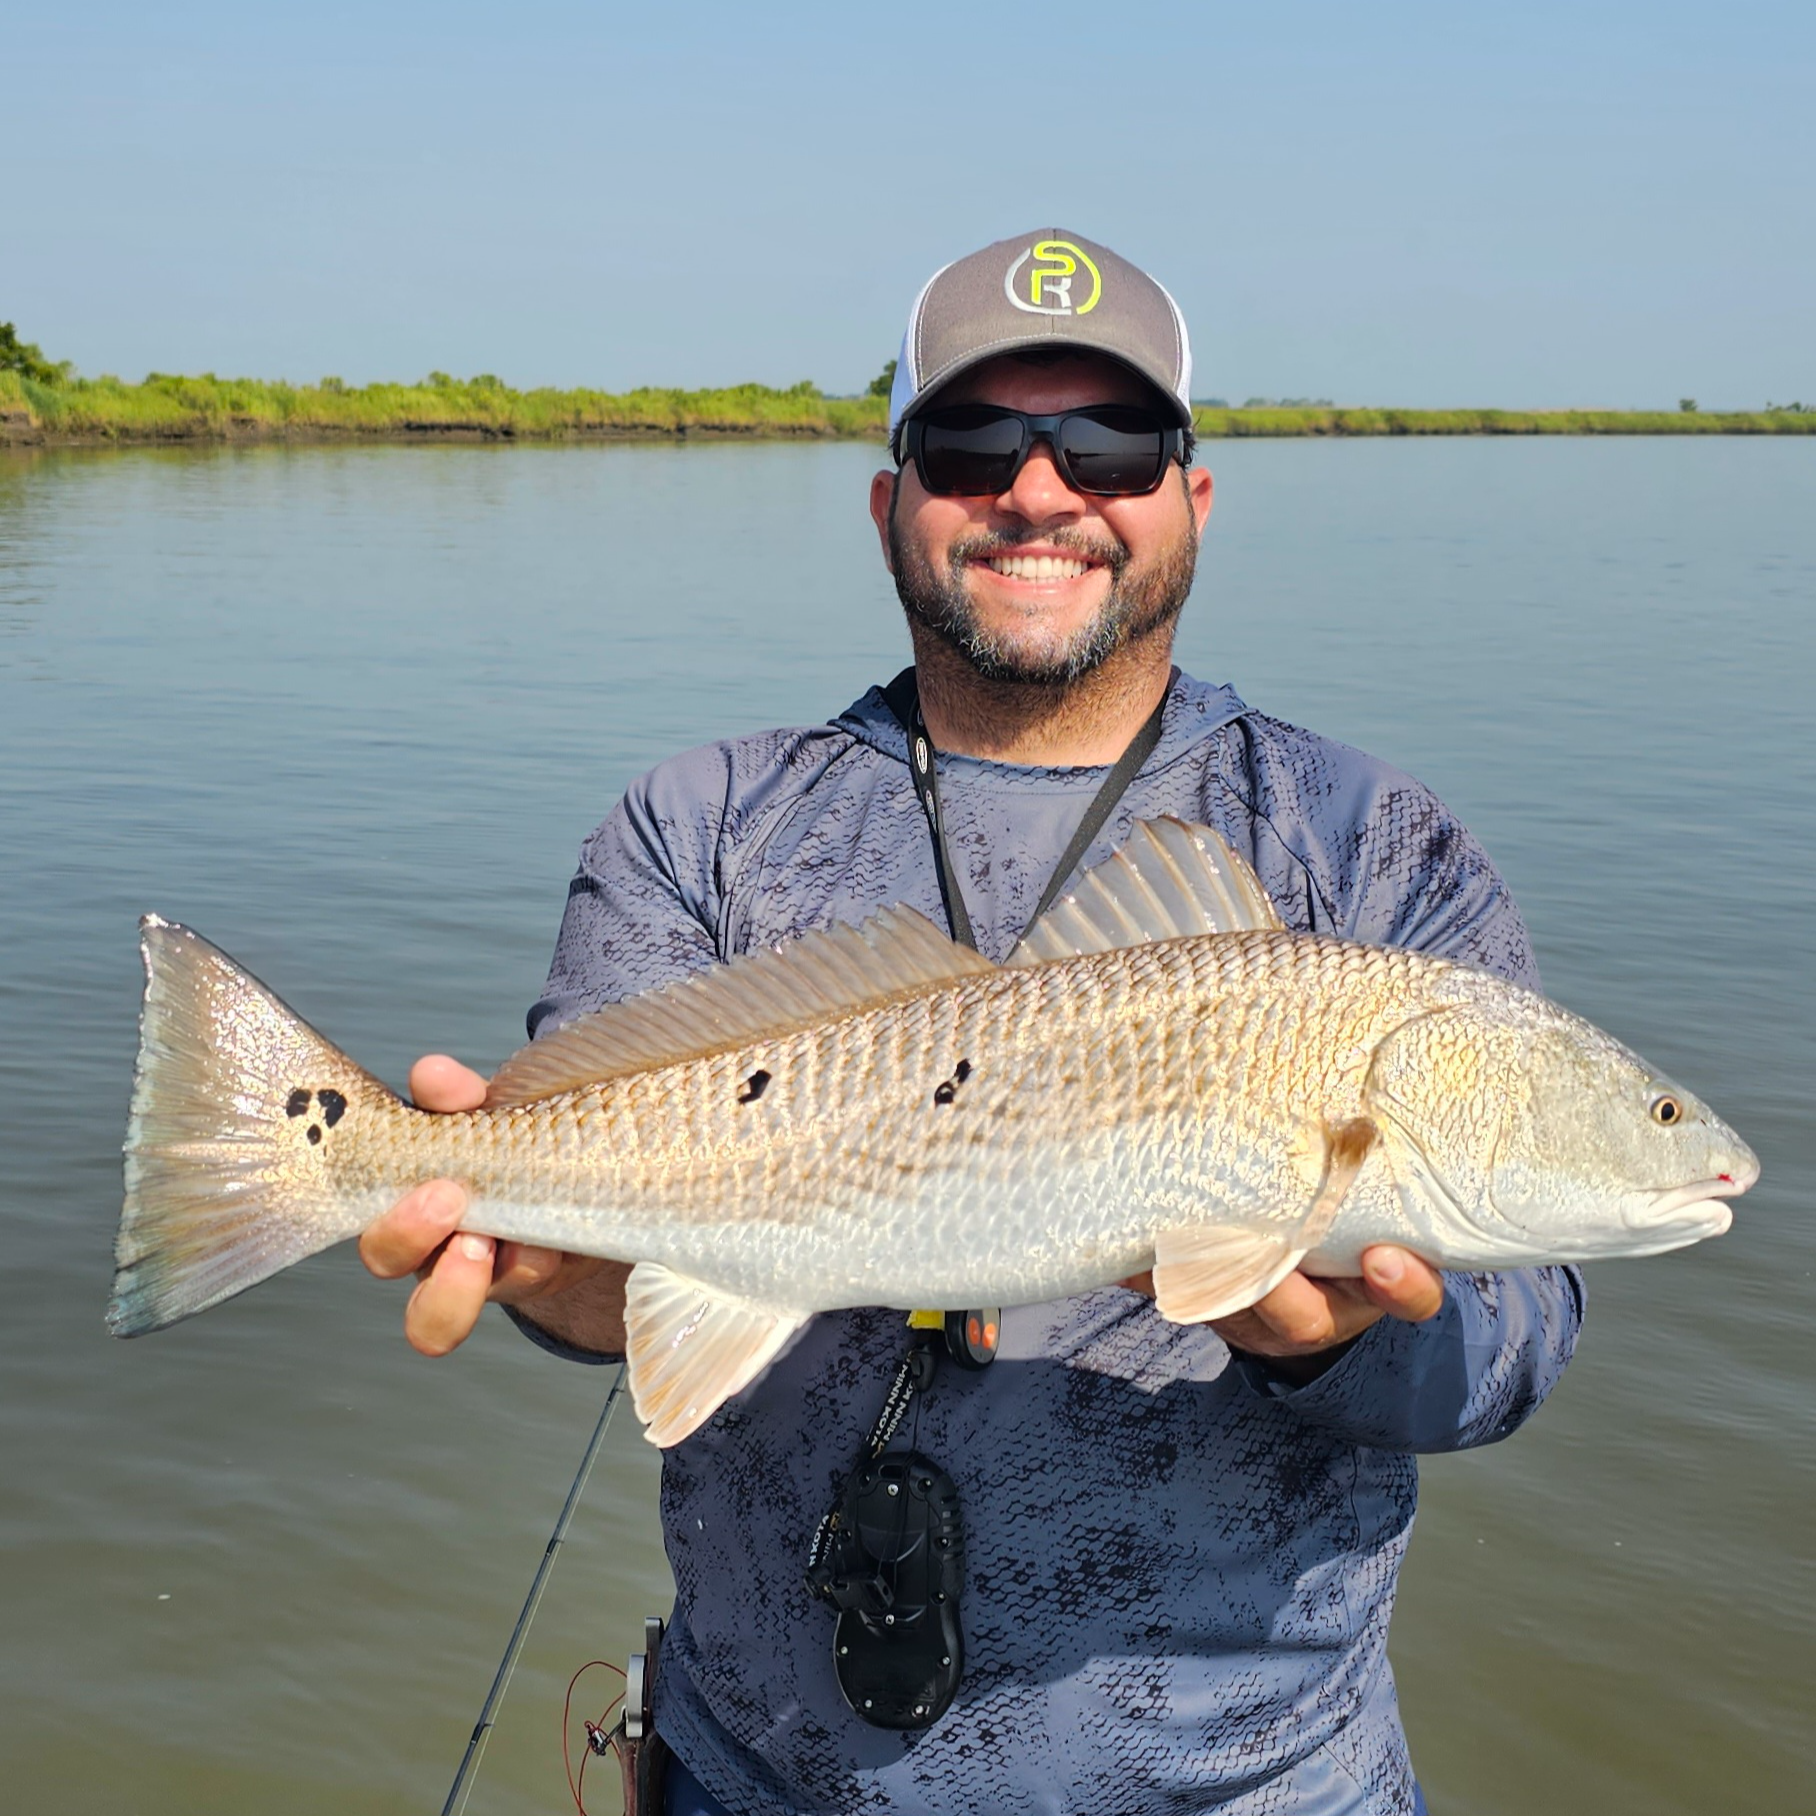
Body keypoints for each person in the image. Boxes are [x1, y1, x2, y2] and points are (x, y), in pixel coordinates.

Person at [361, 230, 1582, 1815]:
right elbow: (604, 1295)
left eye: (1112, 443)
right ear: (889, 500)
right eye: (970, 441)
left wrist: (1340, 1351)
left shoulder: (1363, 844)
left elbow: (1522, 1337)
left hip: (1266, 1786)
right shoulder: (707, 824)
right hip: (765, 1781)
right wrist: (544, 1272)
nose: (1041, 487)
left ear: (1192, 499)